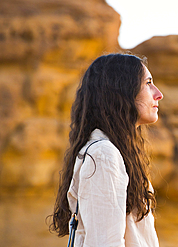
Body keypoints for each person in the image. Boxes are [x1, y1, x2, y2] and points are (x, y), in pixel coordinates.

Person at [49, 53, 163, 247]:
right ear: (121, 90)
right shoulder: (103, 155)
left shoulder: (115, 152)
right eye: (148, 83)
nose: (158, 94)